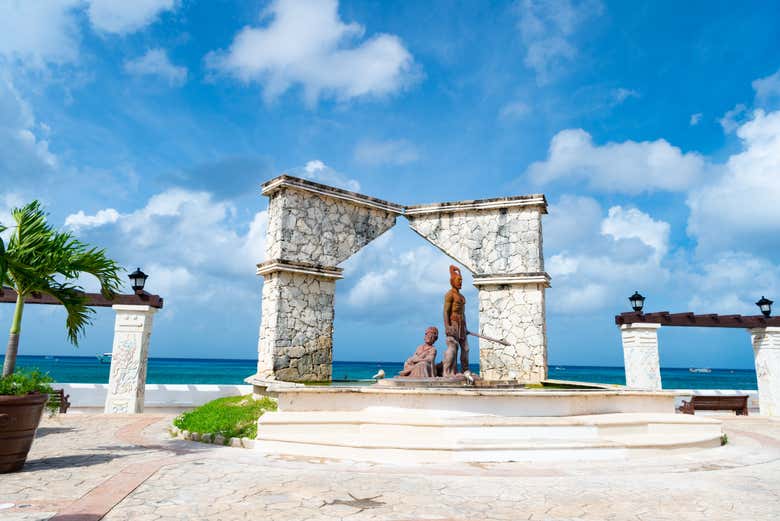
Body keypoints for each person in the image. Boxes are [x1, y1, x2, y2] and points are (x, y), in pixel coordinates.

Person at [442, 265, 469, 376]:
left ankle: (465, 370)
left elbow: (463, 313)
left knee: (466, 348)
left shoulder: (462, 297)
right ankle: (451, 371)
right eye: (458, 280)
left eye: (461, 280)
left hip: (462, 324)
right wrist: (447, 326)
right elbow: (445, 311)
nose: (460, 282)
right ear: (452, 281)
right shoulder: (450, 294)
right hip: (453, 322)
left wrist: (466, 328)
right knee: (454, 347)